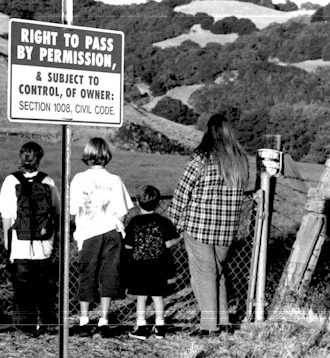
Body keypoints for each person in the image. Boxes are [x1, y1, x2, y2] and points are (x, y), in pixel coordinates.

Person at [168, 114, 249, 336]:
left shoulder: (201, 158)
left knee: (204, 276)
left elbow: (182, 192)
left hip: (199, 227)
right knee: (218, 273)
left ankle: (209, 327)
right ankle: (223, 322)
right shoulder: (240, 160)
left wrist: (174, 223)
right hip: (226, 230)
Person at [69, 137, 133, 337]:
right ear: (106, 155)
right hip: (111, 232)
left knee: (87, 273)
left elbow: (73, 210)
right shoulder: (114, 180)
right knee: (109, 275)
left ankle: (84, 319)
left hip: (89, 234)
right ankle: (104, 320)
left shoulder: (79, 179)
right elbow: (123, 211)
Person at [0, 141, 61, 336]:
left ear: (20, 158)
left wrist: (8, 244)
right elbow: (57, 211)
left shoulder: (11, 181)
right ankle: (48, 323)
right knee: (45, 287)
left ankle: (27, 327)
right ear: (39, 159)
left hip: (20, 244)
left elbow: (6, 215)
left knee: (23, 288)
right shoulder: (48, 181)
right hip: (44, 243)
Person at [124, 185, 182, 340]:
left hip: (139, 266)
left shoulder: (134, 222)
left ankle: (141, 327)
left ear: (137, 202)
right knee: (158, 297)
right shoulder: (163, 222)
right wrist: (181, 236)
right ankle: (160, 326)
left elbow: (128, 245)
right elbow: (169, 243)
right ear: (158, 204)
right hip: (159, 265)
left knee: (141, 298)